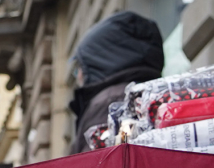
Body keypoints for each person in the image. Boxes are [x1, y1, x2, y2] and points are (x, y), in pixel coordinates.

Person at [66, 10, 164, 155]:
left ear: (98, 63)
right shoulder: (147, 95)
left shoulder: (109, 101)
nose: (79, 75)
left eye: (80, 68)